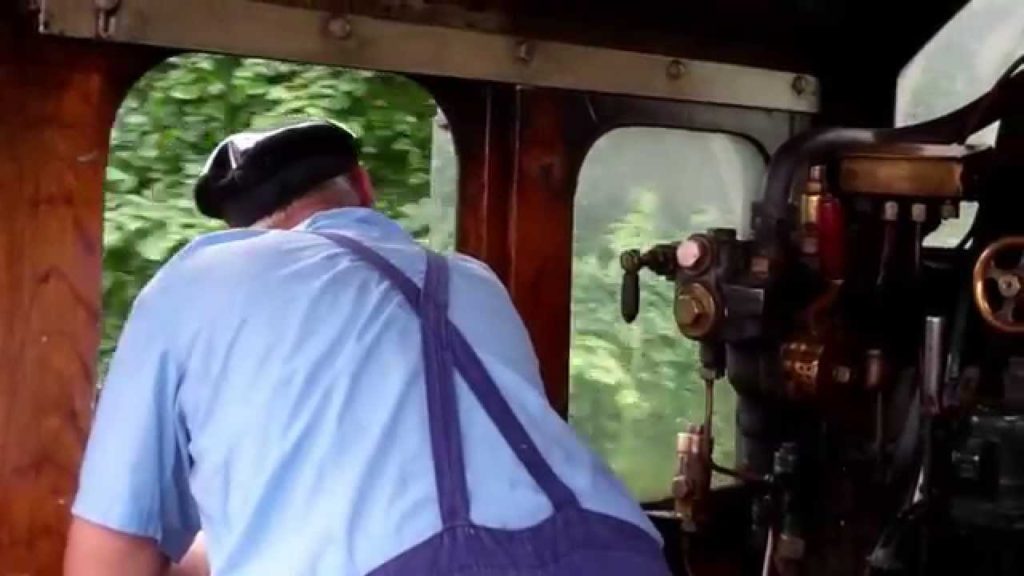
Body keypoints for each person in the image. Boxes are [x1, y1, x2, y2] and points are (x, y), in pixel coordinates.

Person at [65, 119, 671, 576]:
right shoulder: (474, 279)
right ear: (363, 186)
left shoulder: (196, 280)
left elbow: (106, 560)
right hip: (617, 550)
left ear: (238, 230)